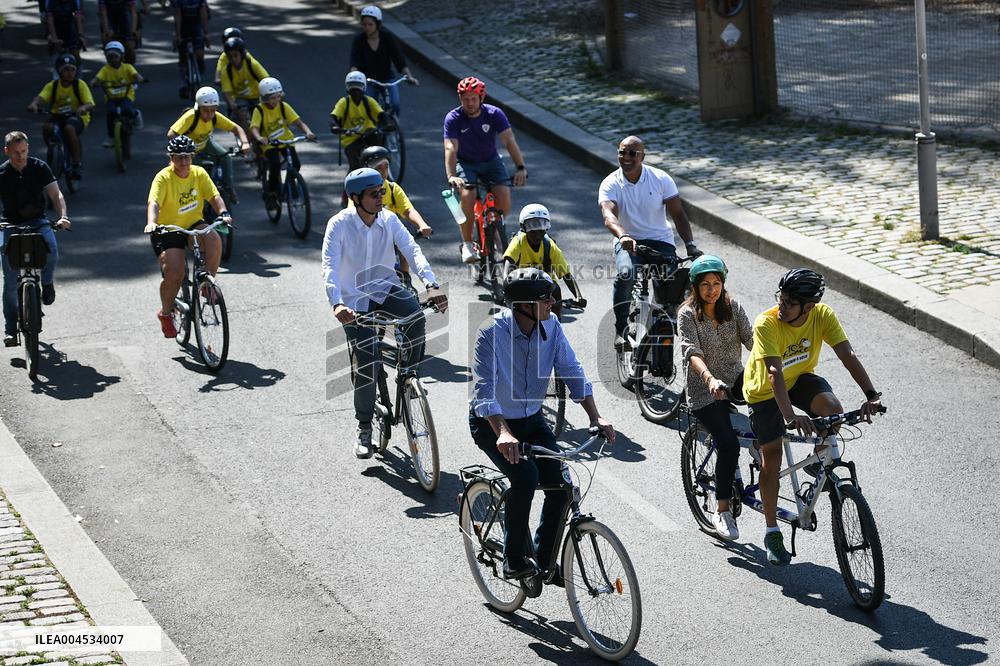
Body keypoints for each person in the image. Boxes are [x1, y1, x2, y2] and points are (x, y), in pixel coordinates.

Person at [471, 267, 615, 579]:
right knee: (525, 476)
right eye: (545, 297)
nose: (552, 301)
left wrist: (595, 415)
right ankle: (513, 559)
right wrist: (504, 433)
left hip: (531, 420)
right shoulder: (490, 332)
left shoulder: (552, 326)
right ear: (524, 305)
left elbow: (571, 368)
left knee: (562, 488)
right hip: (491, 423)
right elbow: (483, 390)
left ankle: (546, 563)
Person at [743, 268, 883, 565]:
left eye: (789, 303)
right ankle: (771, 532)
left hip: (799, 378)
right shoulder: (767, 323)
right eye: (780, 298)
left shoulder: (822, 315)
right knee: (773, 456)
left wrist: (871, 395)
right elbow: (773, 374)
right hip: (764, 391)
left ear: (809, 306)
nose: (781, 306)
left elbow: (848, 355)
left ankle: (818, 461)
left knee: (833, 411)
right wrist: (790, 416)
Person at [323, 168, 448, 458]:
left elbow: (412, 250)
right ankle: (364, 426)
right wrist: (337, 303)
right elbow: (329, 266)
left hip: (384, 289)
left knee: (416, 316)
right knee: (367, 364)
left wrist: (431, 284)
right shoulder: (339, 225)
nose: (381, 197)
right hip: (354, 301)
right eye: (373, 193)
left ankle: (408, 376)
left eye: (382, 191)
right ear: (356, 198)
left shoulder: (389, 220)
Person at [599, 135, 703, 349]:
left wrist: (690, 244)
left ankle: (667, 314)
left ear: (642, 157)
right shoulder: (610, 183)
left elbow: (678, 214)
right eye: (621, 152)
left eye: (632, 153)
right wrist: (623, 235)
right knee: (626, 274)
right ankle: (620, 329)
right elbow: (609, 216)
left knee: (673, 282)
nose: (625, 157)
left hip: (660, 240)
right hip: (628, 241)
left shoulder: (660, 179)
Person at [677, 255, 753, 541]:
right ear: (696, 287)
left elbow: (753, 340)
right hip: (704, 390)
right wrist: (709, 379)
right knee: (729, 444)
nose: (712, 289)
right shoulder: (686, 314)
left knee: (769, 427)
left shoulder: (733, 308)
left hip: (736, 381)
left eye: (717, 283)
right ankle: (722, 510)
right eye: (705, 284)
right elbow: (691, 352)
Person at [145, 135, 231, 338]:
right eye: (179, 157)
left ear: (192, 157)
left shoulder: (199, 173)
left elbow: (214, 196)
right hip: (168, 229)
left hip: (192, 224)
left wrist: (224, 213)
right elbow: (154, 203)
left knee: (214, 239)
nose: (183, 162)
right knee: (175, 273)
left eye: (187, 157)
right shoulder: (164, 177)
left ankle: (206, 284)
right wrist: (152, 223)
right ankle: (166, 314)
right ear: (171, 157)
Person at [444, 76, 527, 264]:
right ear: (460, 99)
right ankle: (467, 244)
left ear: (481, 98)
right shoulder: (454, 118)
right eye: (465, 99)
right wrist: (451, 175)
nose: (470, 103)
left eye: (473, 99)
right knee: (468, 194)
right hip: (466, 163)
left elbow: (509, 140)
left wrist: (520, 167)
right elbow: (450, 148)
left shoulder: (494, 114)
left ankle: (496, 227)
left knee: (504, 195)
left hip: (491, 161)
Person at [0, 131, 72, 347]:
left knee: (52, 247)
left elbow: (55, 195)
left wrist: (63, 216)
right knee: (10, 280)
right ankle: (11, 329)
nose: (20, 157)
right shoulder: (2, 173)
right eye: (15, 153)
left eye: (23, 151)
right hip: (9, 224)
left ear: (28, 148)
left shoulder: (39, 167)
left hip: (38, 221)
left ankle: (47, 283)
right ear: (7, 151)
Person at [350, 145, 432, 289]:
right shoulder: (360, 192)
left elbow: (407, 210)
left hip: (391, 235)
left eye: (386, 166)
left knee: (405, 241)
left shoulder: (393, 188)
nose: (383, 172)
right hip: (369, 238)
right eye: (378, 168)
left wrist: (422, 224)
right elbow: (353, 215)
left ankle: (405, 275)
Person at [501, 204, 585, 320]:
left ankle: (555, 323)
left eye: (541, 228)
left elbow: (566, 274)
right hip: (522, 283)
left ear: (546, 227)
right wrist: (507, 286)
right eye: (532, 227)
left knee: (556, 290)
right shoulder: (518, 242)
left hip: (545, 286)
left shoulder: (549, 245)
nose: (537, 233)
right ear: (523, 227)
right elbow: (508, 266)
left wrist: (578, 296)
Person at [167, 86, 249, 203]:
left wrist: (245, 143)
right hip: (190, 151)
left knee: (225, 157)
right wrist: (183, 149)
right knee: (196, 171)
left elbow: (237, 128)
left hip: (205, 144)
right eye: (205, 111)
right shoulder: (191, 116)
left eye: (213, 110)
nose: (209, 115)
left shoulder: (214, 117)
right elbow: (171, 134)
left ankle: (229, 188)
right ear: (199, 108)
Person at [249, 77, 316, 212]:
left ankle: (292, 182)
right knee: (275, 164)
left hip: (286, 140)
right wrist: (259, 137)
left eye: (278, 97)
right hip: (270, 144)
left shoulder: (284, 107)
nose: (275, 101)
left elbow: (298, 122)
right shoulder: (259, 110)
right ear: (264, 98)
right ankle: (272, 193)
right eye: (272, 98)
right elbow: (254, 127)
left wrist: (309, 132)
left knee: (296, 164)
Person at [27, 53, 95, 181]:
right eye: (66, 70)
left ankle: (76, 163)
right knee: (47, 127)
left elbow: (89, 103)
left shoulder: (79, 85)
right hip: (57, 115)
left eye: (72, 70)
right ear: (59, 71)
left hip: (77, 116)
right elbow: (41, 97)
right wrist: (34, 104)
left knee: (69, 129)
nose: (70, 73)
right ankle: (53, 148)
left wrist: (83, 108)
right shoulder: (53, 86)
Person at [349, 5, 418, 117]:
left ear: (378, 24)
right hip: (368, 81)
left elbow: (399, 60)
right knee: (371, 107)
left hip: (387, 78)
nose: (367, 27)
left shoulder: (387, 38)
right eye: (364, 24)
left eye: (370, 24)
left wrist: (409, 76)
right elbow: (354, 63)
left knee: (395, 104)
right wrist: (353, 79)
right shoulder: (359, 41)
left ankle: (394, 129)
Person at [329, 71, 392, 172]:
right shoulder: (344, 102)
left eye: (358, 86)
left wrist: (387, 124)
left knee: (379, 157)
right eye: (351, 87)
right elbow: (333, 117)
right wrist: (335, 127)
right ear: (347, 88)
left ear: (364, 88)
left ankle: (384, 173)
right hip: (350, 138)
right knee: (355, 166)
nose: (355, 91)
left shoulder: (369, 101)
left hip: (369, 133)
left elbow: (381, 114)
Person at [89, 41, 145, 148]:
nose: (113, 59)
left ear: (121, 56)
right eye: (110, 56)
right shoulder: (105, 69)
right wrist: (93, 82)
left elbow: (136, 75)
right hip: (111, 97)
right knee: (110, 113)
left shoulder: (127, 67)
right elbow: (97, 78)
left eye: (115, 56)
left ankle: (136, 113)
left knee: (127, 110)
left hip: (126, 95)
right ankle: (111, 137)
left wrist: (139, 79)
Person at [219, 36, 269, 129]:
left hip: (257, 95)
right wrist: (232, 104)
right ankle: (247, 138)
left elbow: (265, 78)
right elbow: (227, 91)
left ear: (241, 54)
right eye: (230, 56)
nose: (233, 59)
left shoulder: (251, 63)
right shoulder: (226, 71)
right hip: (240, 98)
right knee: (242, 114)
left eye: (236, 55)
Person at [171, 0, 209, 99]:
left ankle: (199, 68)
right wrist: (178, 35)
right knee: (183, 55)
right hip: (183, 25)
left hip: (196, 25)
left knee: (199, 53)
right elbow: (177, 15)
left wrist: (206, 33)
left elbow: (203, 13)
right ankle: (183, 82)